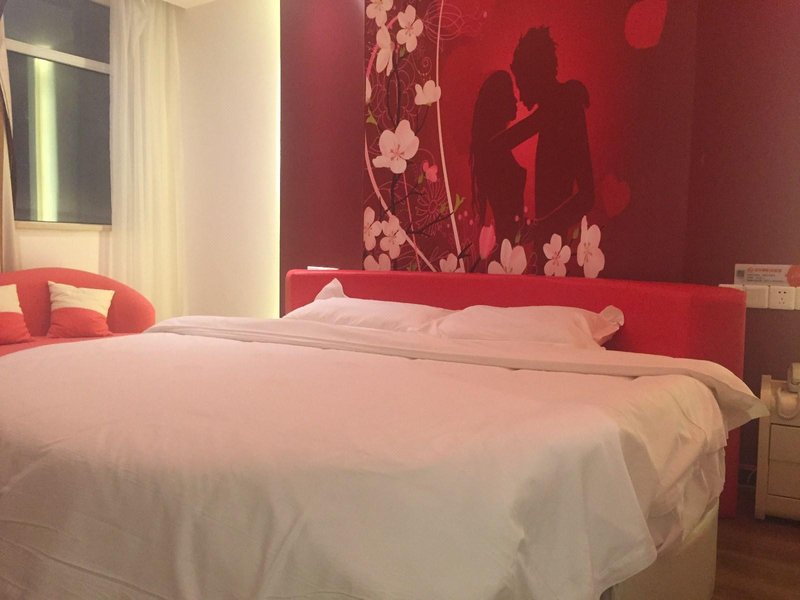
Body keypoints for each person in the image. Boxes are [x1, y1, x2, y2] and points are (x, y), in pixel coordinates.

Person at [507, 26, 595, 269]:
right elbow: (509, 138)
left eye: (521, 82)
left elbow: (587, 195)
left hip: (557, 244)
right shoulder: (555, 108)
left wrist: (543, 225)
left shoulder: (564, 106)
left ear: (535, 74)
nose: (520, 95)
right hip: (549, 242)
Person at [469, 71, 526, 248]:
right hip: (507, 245)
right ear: (498, 102)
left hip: (509, 244)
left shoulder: (494, 145)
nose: (515, 99)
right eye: (510, 94)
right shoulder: (495, 146)